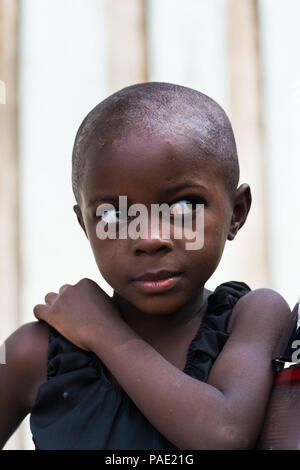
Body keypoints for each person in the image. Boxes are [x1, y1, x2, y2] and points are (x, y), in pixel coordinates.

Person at [0, 82, 292, 450]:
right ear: (85, 226)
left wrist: (103, 330)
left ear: (236, 213)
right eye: (113, 214)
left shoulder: (253, 317)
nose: (150, 238)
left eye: (184, 206)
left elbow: (225, 435)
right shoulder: (33, 353)